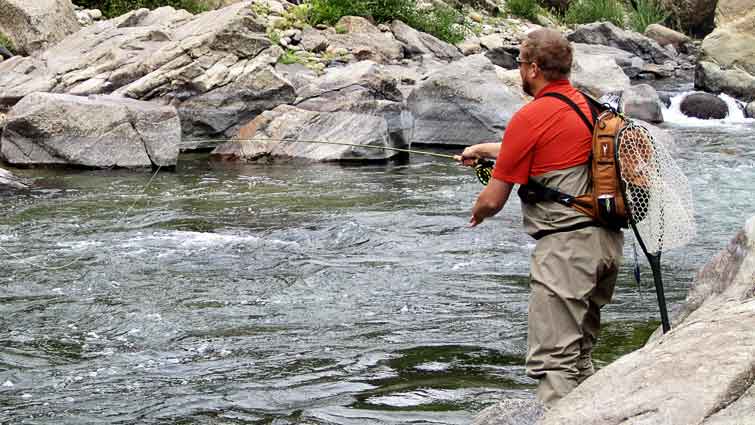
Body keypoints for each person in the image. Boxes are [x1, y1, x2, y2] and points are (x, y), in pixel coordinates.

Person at [456, 28, 624, 407]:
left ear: (533, 68)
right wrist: (482, 149)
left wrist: (476, 213)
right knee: (579, 356)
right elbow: (539, 147)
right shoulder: (587, 105)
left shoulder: (531, 116)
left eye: (519, 63)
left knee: (555, 362)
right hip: (607, 246)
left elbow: (493, 200)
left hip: (566, 252)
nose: (518, 70)